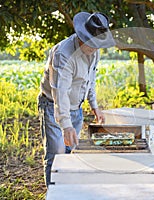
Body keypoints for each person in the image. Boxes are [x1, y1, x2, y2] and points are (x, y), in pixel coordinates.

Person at [37, 11, 115, 187]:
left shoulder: (94, 52)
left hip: (76, 107)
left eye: (98, 45)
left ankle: (68, 191)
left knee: (71, 151)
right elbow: (60, 92)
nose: (94, 49)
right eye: (92, 44)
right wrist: (65, 124)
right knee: (56, 155)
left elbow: (90, 79)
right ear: (82, 35)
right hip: (52, 106)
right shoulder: (62, 54)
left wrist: (94, 105)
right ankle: (54, 194)